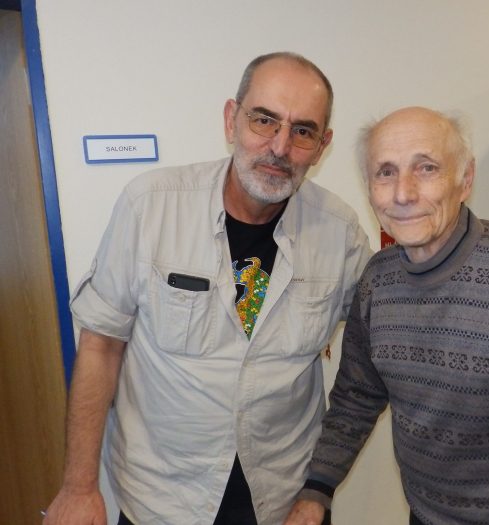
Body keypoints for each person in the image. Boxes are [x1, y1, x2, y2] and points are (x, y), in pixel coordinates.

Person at [44, 52, 371, 525]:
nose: (280, 147)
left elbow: (374, 359)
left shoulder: (340, 233)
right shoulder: (150, 206)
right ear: (230, 119)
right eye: (264, 120)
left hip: (283, 500)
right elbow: (101, 345)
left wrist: (319, 490)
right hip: (164, 501)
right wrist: (78, 486)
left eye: (303, 131)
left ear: (322, 146)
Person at [285, 107, 489, 525]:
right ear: (369, 188)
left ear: (466, 179)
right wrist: (318, 488)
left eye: (426, 168)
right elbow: (357, 397)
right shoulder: (377, 280)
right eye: (385, 172)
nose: (403, 193)